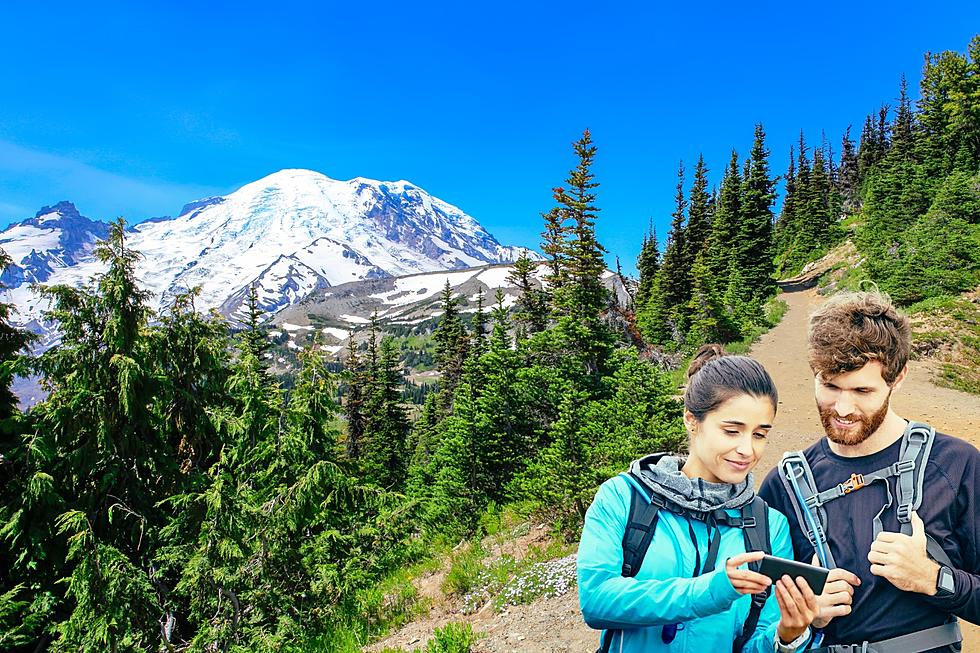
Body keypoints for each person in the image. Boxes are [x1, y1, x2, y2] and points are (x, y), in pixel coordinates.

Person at [759, 291, 980, 652]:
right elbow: (755, 621)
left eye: (863, 390)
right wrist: (803, 618)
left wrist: (933, 578)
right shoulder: (784, 485)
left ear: (898, 378)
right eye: (829, 385)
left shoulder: (955, 464)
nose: (843, 408)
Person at [578, 345, 819, 653]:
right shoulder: (624, 497)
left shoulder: (769, 526)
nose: (748, 449)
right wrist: (710, 591)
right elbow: (597, 601)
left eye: (759, 435)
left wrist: (787, 636)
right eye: (732, 431)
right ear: (692, 421)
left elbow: (752, 641)